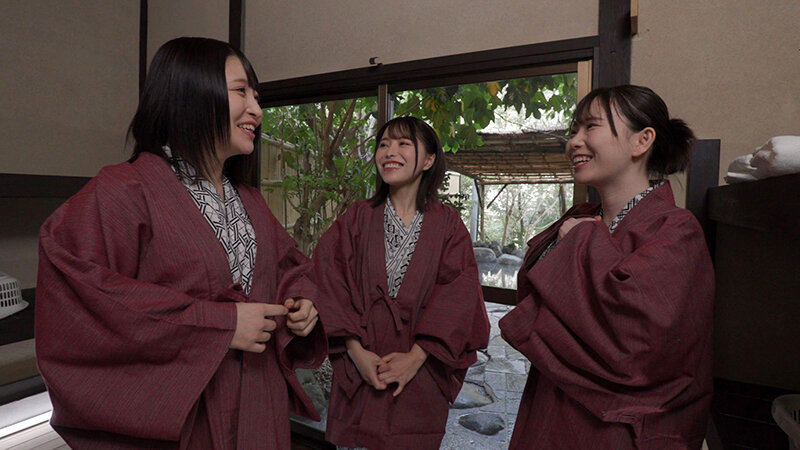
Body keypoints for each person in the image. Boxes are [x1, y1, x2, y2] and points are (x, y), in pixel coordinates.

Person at [35, 37, 326, 449]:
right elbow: (83, 299)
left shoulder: (249, 199)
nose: (257, 111)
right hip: (184, 416)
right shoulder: (122, 191)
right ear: (191, 94)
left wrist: (301, 302)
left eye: (257, 97)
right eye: (241, 92)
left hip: (261, 406)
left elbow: (291, 266)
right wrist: (218, 325)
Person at [499, 85, 714, 449]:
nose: (574, 142)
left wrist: (579, 242)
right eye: (574, 130)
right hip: (549, 408)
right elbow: (531, 295)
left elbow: (637, 343)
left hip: (616, 429)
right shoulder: (578, 219)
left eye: (591, 127)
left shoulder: (677, 229)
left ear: (641, 141)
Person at [312, 116, 490, 450]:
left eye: (403, 143)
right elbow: (329, 281)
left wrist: (416, 357)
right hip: (360, 366)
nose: (389, 151)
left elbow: (459, 296)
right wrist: (356, 352)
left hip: (420, 370)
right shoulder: (357, 217)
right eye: (383, 144)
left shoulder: (448, 224)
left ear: (429, 160)